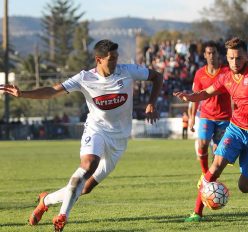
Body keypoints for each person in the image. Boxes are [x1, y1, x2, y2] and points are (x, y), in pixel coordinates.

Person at [0, 39, 163, 231]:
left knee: (85, 188)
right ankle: (63, 215)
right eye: (111, 59)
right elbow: (53, 91)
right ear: (98, 59)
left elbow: (157, 77)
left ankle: (46, 200)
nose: (115, 62)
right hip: (96, 130)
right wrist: (24, 94)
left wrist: (152, 102)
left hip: (119, 139)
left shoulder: (127, 71)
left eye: (117, 58)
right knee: (88, 165)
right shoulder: (84, 78)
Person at [174, 37, 248, 222]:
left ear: (247, 56)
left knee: (244, 186)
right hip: (235, 129)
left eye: (239, 58)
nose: (235, 62)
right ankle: (196, 213)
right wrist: (191, 97)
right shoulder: (226, 77)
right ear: (226, 58)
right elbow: (206, 92)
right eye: (231, 58)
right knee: (215, 166)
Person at [184, 41, 232, 222]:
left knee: (219, 157)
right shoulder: (199, 74)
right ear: (204, 55)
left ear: (219, 55)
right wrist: (191, 117)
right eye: (208, 53)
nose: (211, 56)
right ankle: (205, 175)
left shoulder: (227, 72)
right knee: (202, 144)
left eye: (214, 53)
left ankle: (209, 175)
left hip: (225, 119)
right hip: (206, 117)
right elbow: (195, 97)